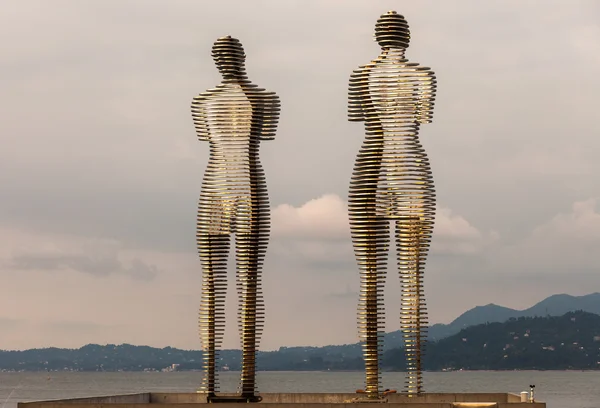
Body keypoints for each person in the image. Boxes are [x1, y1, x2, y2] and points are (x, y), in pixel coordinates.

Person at [348, 11, 437, 397]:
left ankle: (372, 384)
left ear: (377, 37)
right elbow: (423, 118)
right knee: (412, 283)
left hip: (370, 171)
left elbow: (364, 120)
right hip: (413, 171)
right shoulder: (423, 76)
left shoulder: (360, 75)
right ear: (408, 37)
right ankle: (414, 385)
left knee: (370, 283)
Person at [191, 36, 280, 398]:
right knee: (238, 284)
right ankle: (228, 382)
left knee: (231, 285)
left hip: (221, 187)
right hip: (237, 188)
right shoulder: (263, 99)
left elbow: (208, 139)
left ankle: (231, 382)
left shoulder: (206, 102)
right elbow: (265, 136)